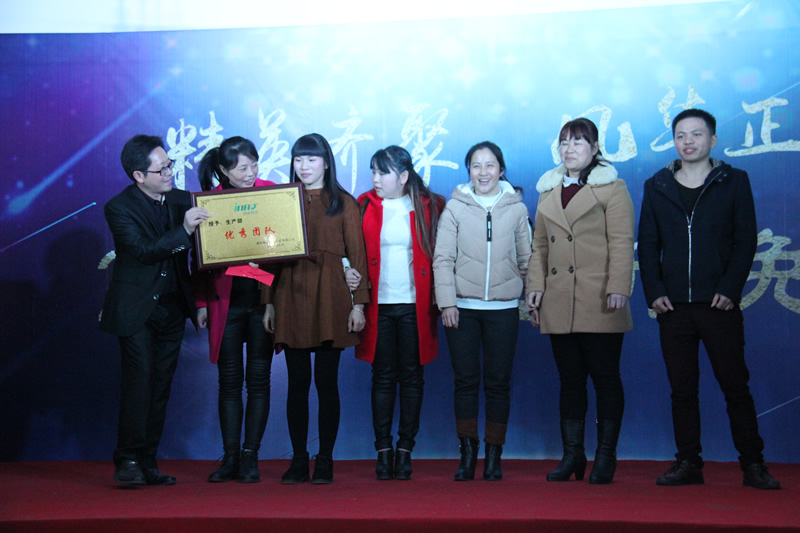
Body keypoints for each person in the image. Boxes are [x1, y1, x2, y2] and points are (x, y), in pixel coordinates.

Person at [638, 108, 780, 490]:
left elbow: (745, 239)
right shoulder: (657, 185)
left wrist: (730, 289)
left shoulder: (734, 180)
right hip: (673, 307)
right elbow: (648, 244)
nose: (688, 142)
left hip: (719, 304)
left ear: (713, 139)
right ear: (674, 141)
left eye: (697, 134)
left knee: (735, 387)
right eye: (681, 135)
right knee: (682, 390)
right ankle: (688, 462)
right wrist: (655, 292)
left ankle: (753, 464)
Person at [526, 118, 634, 485]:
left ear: (595, 148)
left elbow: (622, 242)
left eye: (578, 142)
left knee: (605, 378)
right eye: (564, 142)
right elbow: (539, 245)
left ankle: (605, 456)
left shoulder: (612, 188)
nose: (569, 149)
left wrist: (619, 286)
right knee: (570, 381)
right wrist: (535, 286)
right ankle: (573, 454)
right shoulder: (548, 190)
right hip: (559, 297)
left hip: (600, 296)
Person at [101, 134, 209, 485]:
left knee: (161, 385)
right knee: (139, 383)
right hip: (136, 311)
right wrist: (184, 230)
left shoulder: (181, 199)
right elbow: (143, 251)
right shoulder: (119, 208)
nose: (169, 172)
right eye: (161, 169)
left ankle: (148, 461)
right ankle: (128, 460)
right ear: (138, 176)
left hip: (173, 307)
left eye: (170, 165)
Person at [264, 133, 369, 484]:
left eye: (311, 159)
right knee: (297, 384)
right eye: (298, 159)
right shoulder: (282, 201)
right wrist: (267, 302)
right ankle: (298, 459)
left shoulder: (343, 202)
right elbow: (268, 256)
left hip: (330, 297)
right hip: (290, 295)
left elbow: (358, 256)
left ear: (326, 162)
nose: (304, 166)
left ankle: (325, 459)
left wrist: (359, 305)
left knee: (326, 383)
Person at [433, 141, 531, 481]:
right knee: (465, 382)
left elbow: (527, 258)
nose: (483, 172)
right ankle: (467, 453)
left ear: (501, 170)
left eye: (490, 165)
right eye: (476, 166)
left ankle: (493, 455)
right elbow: (442, 258)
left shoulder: (516, 209)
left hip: (504, 308)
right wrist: (447, 302)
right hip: (462, 308)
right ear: (469, 171)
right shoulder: (455, 208)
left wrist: (533, 297)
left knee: (498, 383)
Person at [347, 146, 445, 480]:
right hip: (379, 304)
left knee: (413, 376)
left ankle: (405, 450)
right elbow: (348, 251)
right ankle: (383, 450)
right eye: (373, 172)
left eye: (382, 172)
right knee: (383, 376)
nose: (375, 179)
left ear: (403, 176)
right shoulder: (363, 205)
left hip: (415, 305)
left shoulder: (431, 205)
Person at [194, 137, 276, 483]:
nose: (250, 172)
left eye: (254, 164)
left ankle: (250, 456)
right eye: (242, 168)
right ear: (224, 170)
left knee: (258, 381)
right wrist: (201, 303)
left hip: (262, 304)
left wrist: (271, 295)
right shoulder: (210, 203)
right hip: (224, 305)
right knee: (228, 383)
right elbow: (198, 257)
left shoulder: (273, 194)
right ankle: (229, 457)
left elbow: (287, 249)